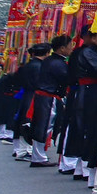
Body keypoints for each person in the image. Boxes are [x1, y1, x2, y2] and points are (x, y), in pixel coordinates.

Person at [64, 29, 97, 182]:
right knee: (87, 127)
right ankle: (84, 168)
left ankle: (80, 168)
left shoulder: (96, 51)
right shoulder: (88, 52)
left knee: (86, 127)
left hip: (92, 91)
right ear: (91, 37)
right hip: (89, 92)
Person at [25, 35, 72, 169]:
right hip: (48, 96)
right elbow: (66, 79)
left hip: (43, 96)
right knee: (44, 126)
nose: (71, 49)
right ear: (62, 48)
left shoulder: (50, 60)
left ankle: (38, 155)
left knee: (42, 125)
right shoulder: (58, 63)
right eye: (70, 46)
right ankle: (38, 157)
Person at [11, 44, 48, 161]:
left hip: (26, 95)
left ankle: (21, 150)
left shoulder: (26, 66)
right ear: (47, 53)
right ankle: (26, 150)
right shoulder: (39, 66)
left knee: (24, 121)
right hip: (34, 96)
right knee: (30, 122)